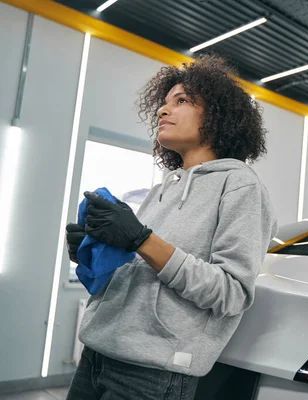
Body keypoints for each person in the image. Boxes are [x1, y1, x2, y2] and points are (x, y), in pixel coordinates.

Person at [64, 54, 277, 399]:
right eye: (163, 103)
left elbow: (231, 292)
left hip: (154, 373)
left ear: (218, 116)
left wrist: (141, 239)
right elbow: (139, 270)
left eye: (181, 101)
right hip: (98, 353)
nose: (163, 111)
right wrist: (90, 254)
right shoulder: (163, 188)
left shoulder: (241, 187)